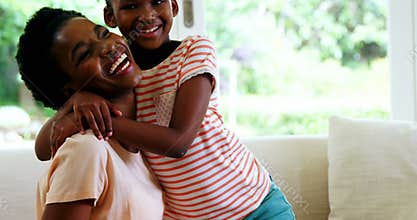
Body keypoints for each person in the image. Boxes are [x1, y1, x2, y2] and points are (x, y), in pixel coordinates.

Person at [35, 0, 296, 219]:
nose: (147, 14)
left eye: (158, 1)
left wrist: (92, 121)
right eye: (131, 5)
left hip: (255, 204)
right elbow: (42, 148)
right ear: (110, 16)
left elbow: (179, 142)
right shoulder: (121, 72)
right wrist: (74, 103)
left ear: (174, 4)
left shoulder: (193, 52)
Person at [15, 7, 164, 220]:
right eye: (84, 54)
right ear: (69, 90)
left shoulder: (141, 136)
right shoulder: (86, 149)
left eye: (102, 34)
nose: (107, 47)